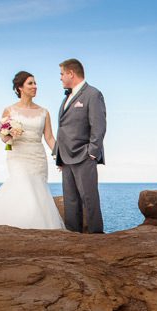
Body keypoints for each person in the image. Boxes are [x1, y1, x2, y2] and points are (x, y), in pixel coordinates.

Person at [0, 71, 66, 230]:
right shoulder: (9, 110)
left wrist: (60, 156)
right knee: (23, 184)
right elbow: (4, 138)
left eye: (35, 83)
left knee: (37, 189)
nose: (35, 86)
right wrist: (9, 134)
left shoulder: (44, 112)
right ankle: (19, 224)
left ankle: (38, 227)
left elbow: (49, 138)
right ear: (20, 88)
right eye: (30, 83)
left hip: (37, 157)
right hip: (17, 156)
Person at [55, 58, 106, 234]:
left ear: (71, 73)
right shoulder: (67, 97)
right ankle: (73, 237)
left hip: (84, 156)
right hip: (66, 157)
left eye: (62, 74)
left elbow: (98, 126)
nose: (60, 77)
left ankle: (96, 236)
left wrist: (92, 152)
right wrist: (59, 155)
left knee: (89, 199)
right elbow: (62, 128)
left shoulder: (93, 94)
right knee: (70, 201)